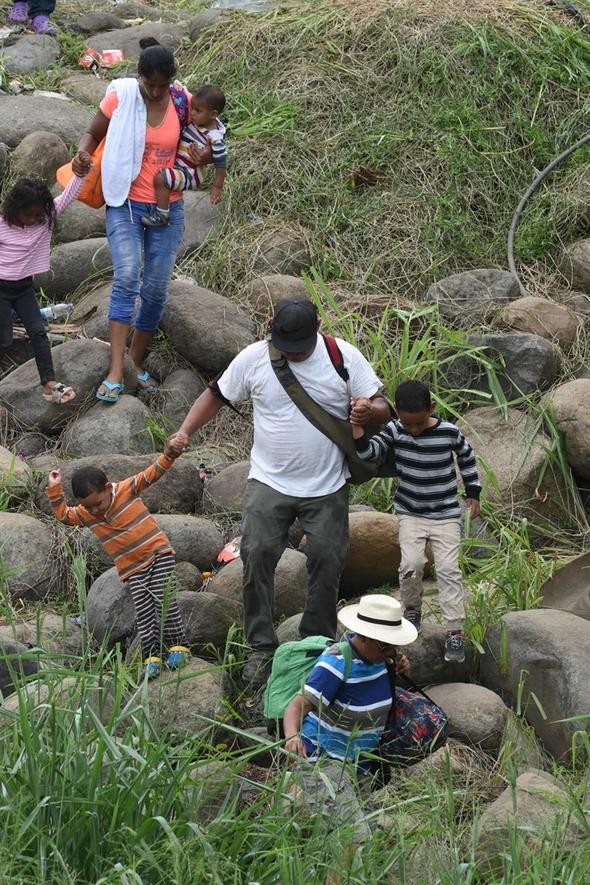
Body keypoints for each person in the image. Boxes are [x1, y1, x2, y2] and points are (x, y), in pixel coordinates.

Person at [166, 297, 392, 686]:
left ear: (318, 326)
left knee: (326, 557)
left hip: (326, 484)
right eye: (289, 349)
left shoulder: (342, 356)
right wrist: (185, 431)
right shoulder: (254, 359)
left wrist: (367, 412)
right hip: (269, 481)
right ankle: (262, 646)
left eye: (302, 349)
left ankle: (316, 642)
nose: (296, 355)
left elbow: (382, 404)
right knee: (256, 554)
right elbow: (216, 395)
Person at [78, 38, 212, 404]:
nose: (154, 92)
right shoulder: (122, 95)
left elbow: (204, 138)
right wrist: (81, 154)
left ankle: (134, 362)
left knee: (154, 289)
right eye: (148, 84)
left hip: (169, 206)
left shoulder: (183, 102)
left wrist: (202, 155)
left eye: (161, 85)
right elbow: (94, 132)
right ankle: (116, 369)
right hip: (125, 202)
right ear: (138, 78)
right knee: (126, 276)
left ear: (172, 80)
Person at [282, 594, 445, 850]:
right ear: (364, 636)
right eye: (386, 646)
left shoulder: (383, 661)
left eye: (394, 646)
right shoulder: (336, 662)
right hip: (324, 760)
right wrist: (292, 738)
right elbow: (296, 706)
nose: (392, 652)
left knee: (365, 833)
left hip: (361, 763)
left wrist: (398, 668)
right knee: (352, 838)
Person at [351, 379, 481, 663]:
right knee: (411, 565)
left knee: (448, 569)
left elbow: (467, 458)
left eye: (419, 424)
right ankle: (412, 609)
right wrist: (357, 427)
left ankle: (454, 630)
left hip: (446, 514)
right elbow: (369, 453)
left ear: (431, 408)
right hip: (410, 513)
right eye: (408, 424)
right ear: (397, 412)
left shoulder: (449, 431)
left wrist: (473, 493)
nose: (413, 430)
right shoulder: (395, 430)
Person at [46, 445, 191, 679]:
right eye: (87, 506)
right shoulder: (86, 513)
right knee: (143, 612)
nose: (94, 510)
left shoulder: (126, 489)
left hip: (157, 552)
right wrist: (54, 490)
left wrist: (168, 456)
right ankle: (151, 657)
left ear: (106, 488)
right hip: (132, 568)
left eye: (98, 503)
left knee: (161, 596)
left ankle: (179, 646)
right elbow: (64, 515)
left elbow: (151, 473)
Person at [0, 152, 91, 404]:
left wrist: (80, 173)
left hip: (23, 289)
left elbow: (69, 195)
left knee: (38, 334)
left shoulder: (45, 220)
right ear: (14, 209)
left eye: (37, 215)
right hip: (1, 289)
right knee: (4, 338)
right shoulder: (2, 225)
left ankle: (48, 383)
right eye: (27, 215)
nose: (33, 220)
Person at [142, 84, 228, 227]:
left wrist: (217, 187)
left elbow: (221, 163)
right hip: (182, 167)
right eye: (192, 108)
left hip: (190, 173)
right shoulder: (200, 122)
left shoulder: (215, 138)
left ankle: (162, 214)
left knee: (161, 178)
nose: (192, 113)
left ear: (213, 114)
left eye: (198, 110)